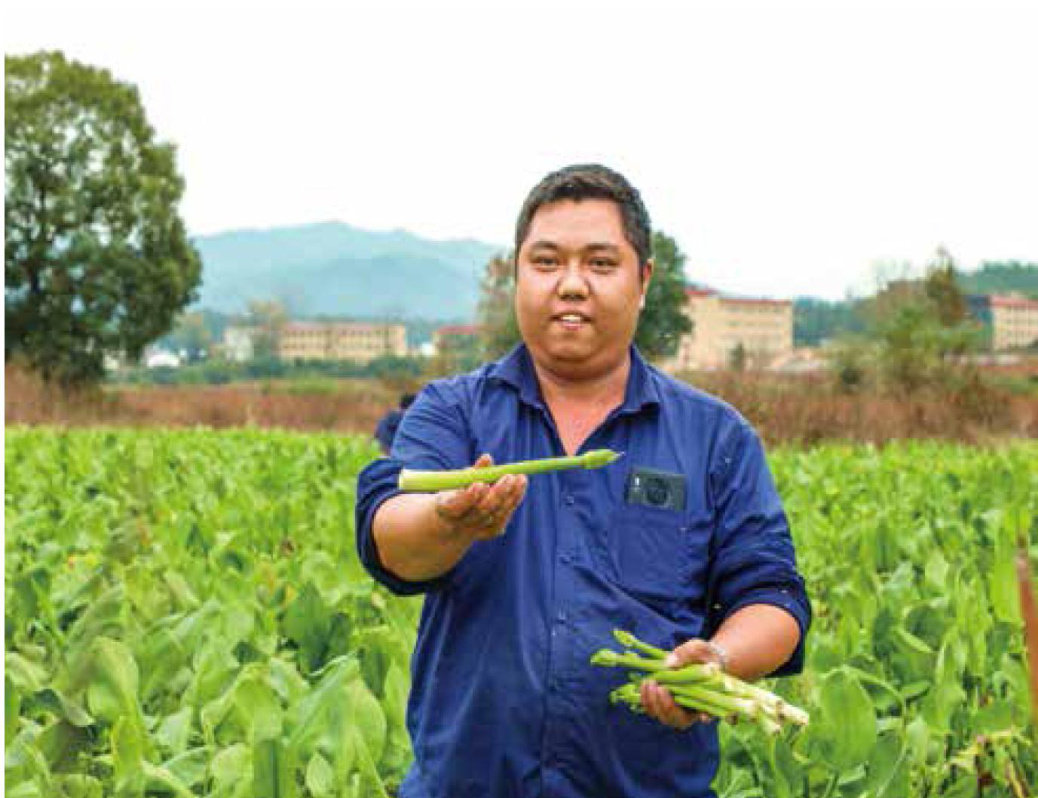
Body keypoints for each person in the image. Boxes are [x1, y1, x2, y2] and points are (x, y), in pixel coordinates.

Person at [356, 164, 811, 797]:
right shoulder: (452, 412)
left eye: (600, 263)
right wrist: (449, 520)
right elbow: (391, 540)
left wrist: (719, 659)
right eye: (546, 263)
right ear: (516, 275)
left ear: (643, 280)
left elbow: (774, 597)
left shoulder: (715, 438)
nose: (571, 284)